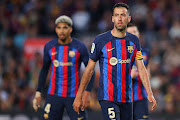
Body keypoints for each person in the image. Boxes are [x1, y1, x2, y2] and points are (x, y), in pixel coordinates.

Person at [73, 3, 157, 120]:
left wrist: (149, 92)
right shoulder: (101, 40)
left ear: (128, 18)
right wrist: (79, 95)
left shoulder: (134, 41)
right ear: (112, 19)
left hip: (127, 98)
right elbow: (89, 69)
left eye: (123, 15)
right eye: (117, 15)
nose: (120, 18)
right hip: (108, 97)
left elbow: (141, 68)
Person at [32, 15, 94, 120]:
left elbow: (90, 70)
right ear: (56, 29)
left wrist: (87, 93)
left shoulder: (80, 47)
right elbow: (44, 70)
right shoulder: (49, 46)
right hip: (54, 95)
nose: (62, 31)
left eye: (65, 27)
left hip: (74, 96)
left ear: (70, 29)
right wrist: (38, 92)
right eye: (59, 28)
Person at [127, 23, 151, 120]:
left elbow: (148, 72)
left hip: (141, 96)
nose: (134, 34)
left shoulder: (146, 52)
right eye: (130, 32)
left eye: (135, 31)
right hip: (124, 98)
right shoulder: (119, 52)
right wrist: (129, 75)